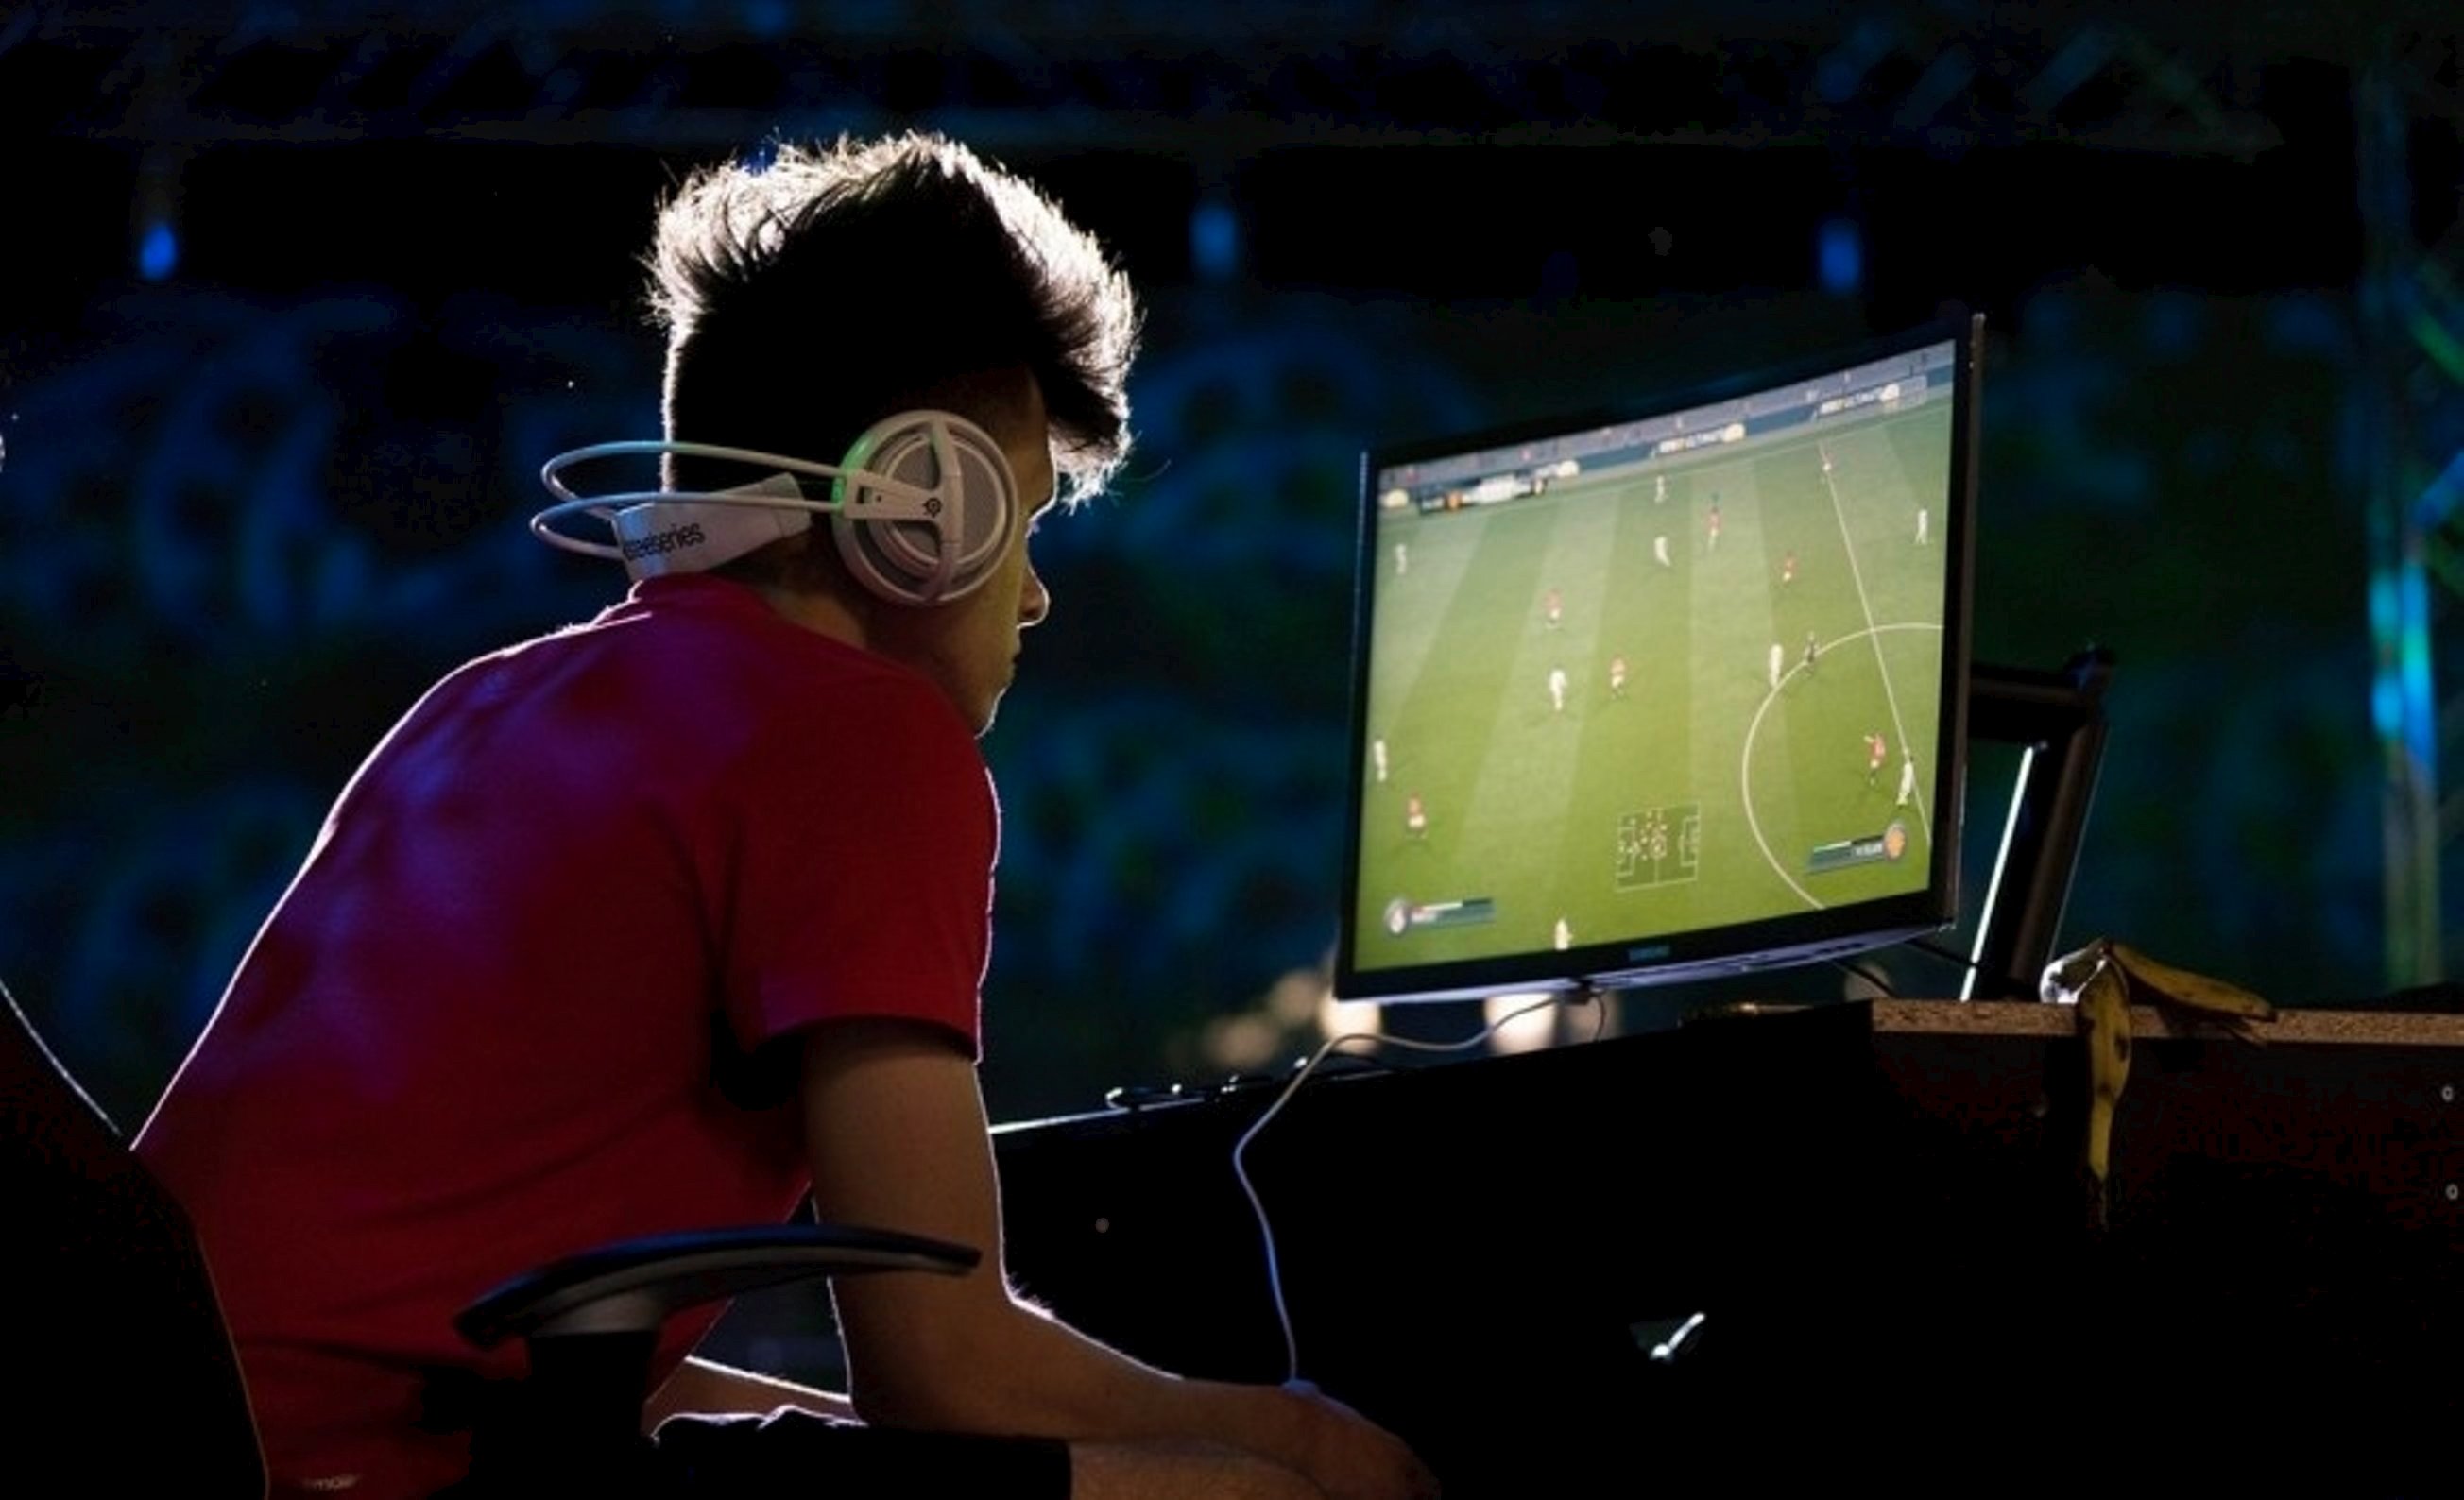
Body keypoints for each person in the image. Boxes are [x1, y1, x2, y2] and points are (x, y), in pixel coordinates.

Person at [135, 133, 1436, 1500]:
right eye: (1024, 525)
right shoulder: (860, 736)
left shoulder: (486, 702)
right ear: (925, 510)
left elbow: (560, 1376)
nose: (1036, 595)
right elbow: (943, 1370)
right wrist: (1293, 1437)